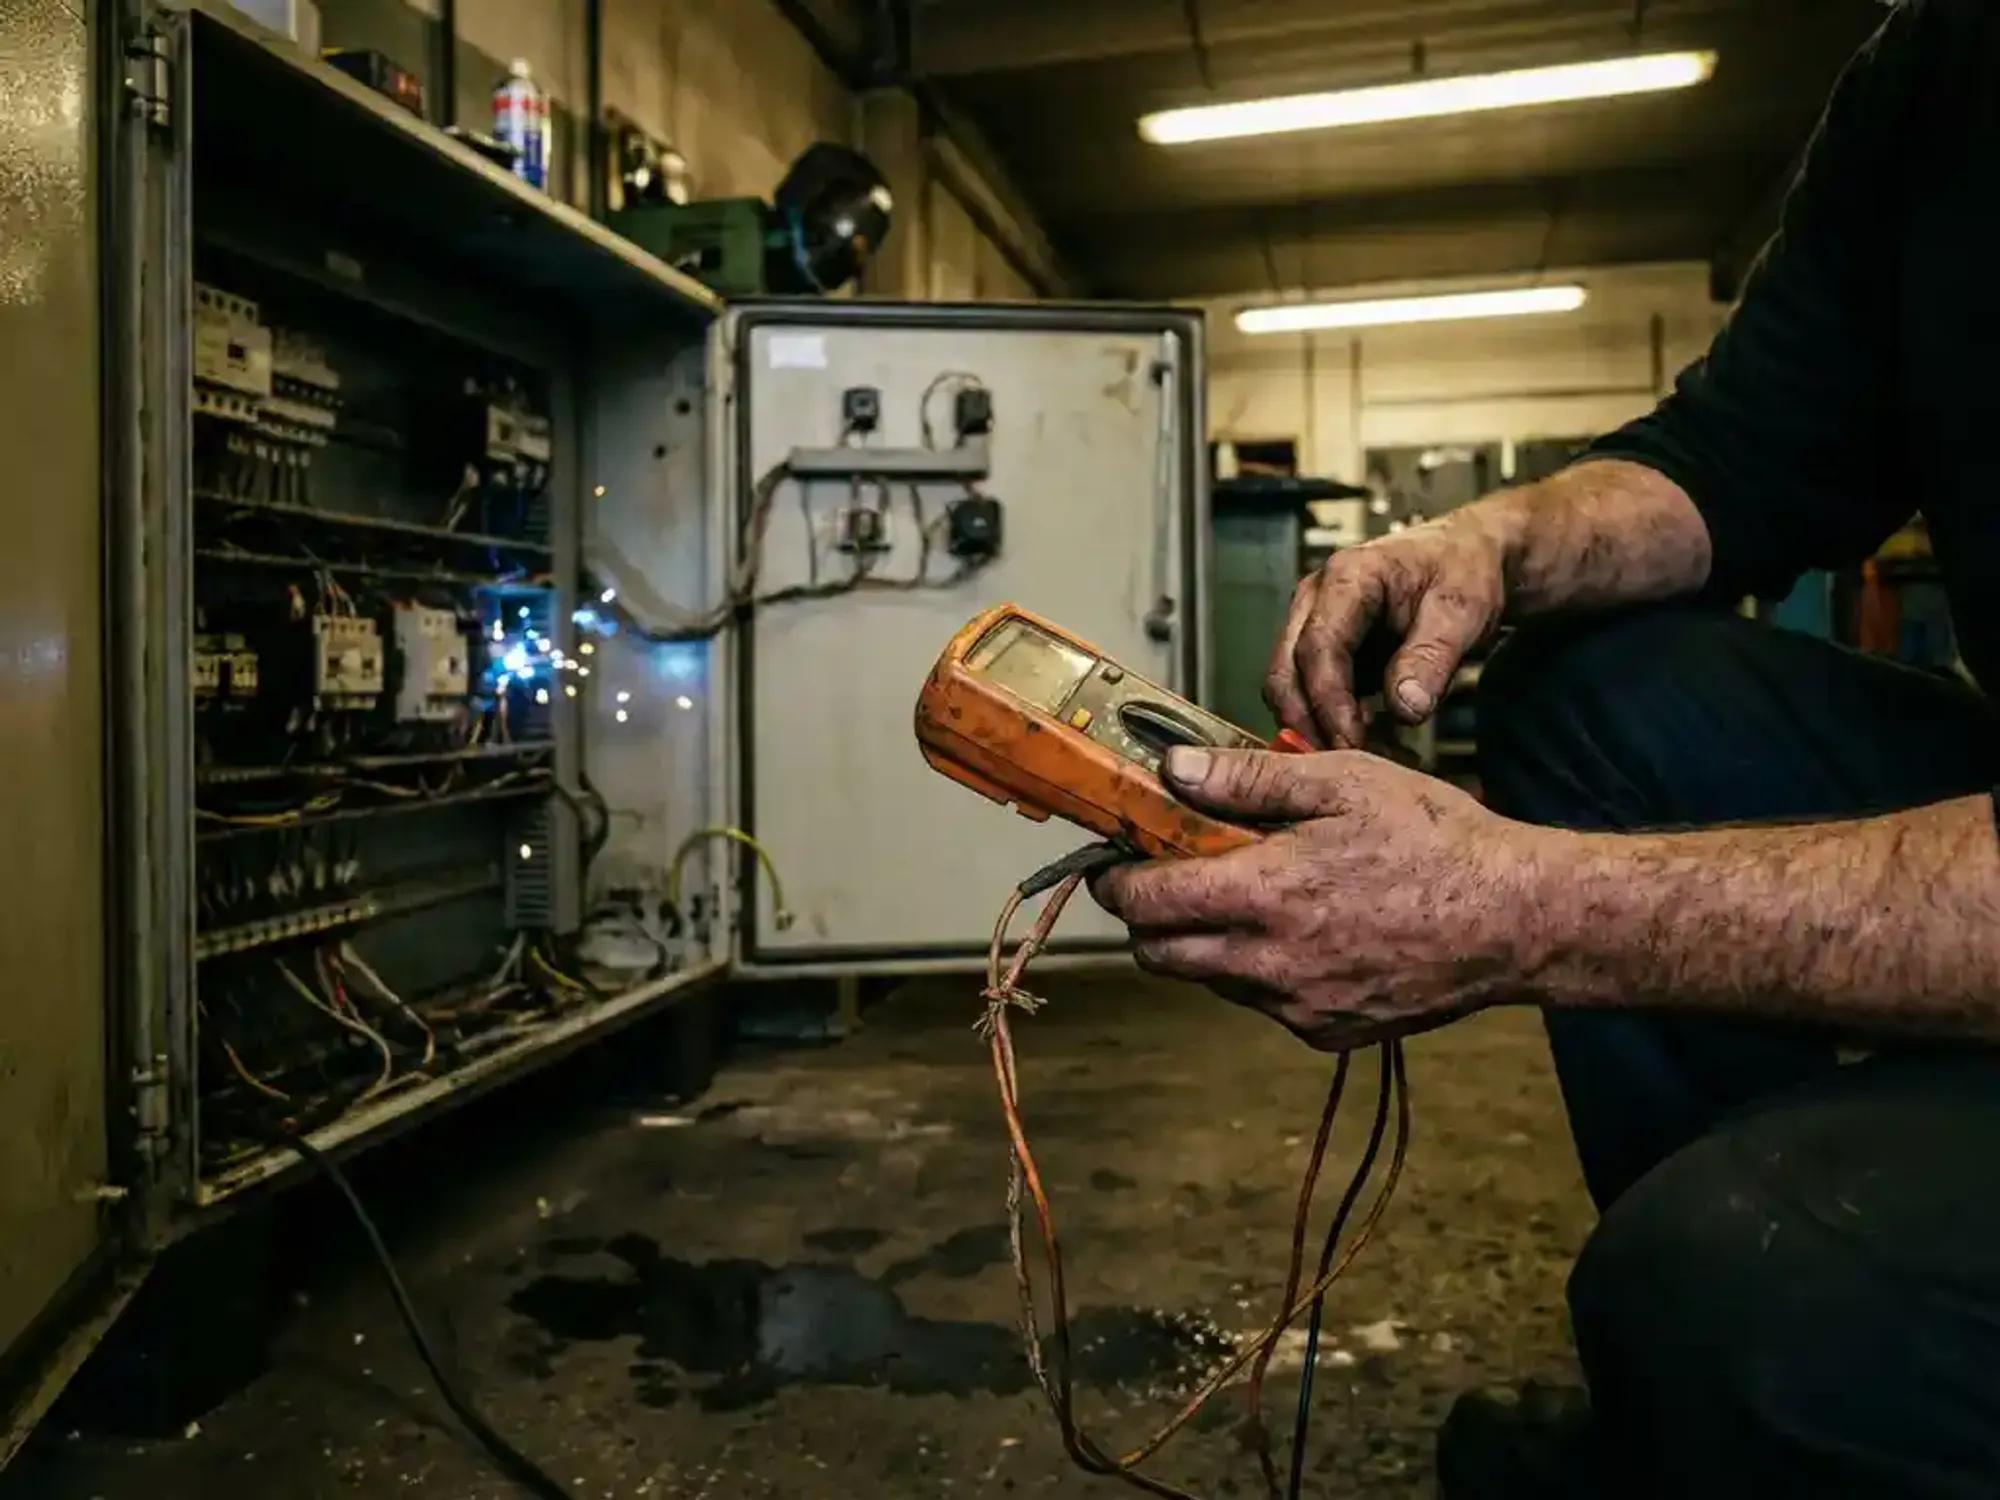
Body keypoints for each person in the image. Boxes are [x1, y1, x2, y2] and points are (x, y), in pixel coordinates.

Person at [1089, 2, 2000, 1495]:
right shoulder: (1944, 71)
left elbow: (1539, 906)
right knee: (1602, 692)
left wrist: (1520, 906)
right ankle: (1714, 1386)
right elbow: (1742, 457)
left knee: (1737, 1292)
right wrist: (1489, 545)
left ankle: (1761, 1317)